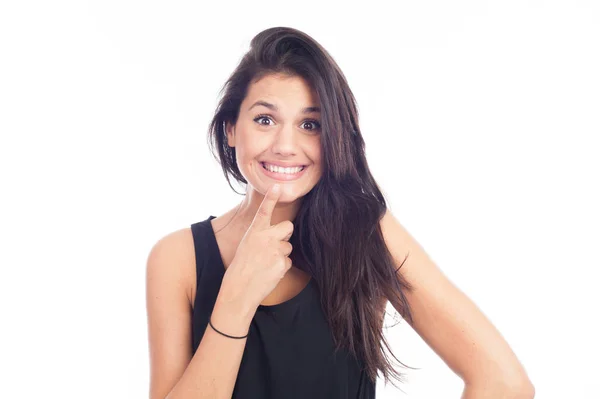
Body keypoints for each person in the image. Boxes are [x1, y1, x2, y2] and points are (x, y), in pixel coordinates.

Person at [146, 27, 535, 399]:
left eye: (310, 124)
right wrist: (236, 298)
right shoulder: (178, 259)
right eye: (265, 120)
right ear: (231, 129)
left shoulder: (366, 235)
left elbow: (503, 383)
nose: (285, 145)